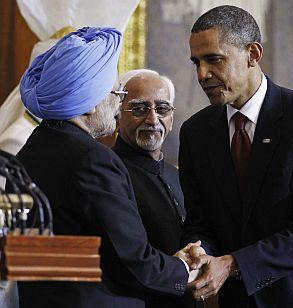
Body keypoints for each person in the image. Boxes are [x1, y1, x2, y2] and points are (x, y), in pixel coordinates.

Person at [179, 5, 293, 308]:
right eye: (196, 62)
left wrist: (233, 263)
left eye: (213, 59)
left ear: (252, 54)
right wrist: (198, 251)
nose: (202, 74)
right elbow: (201, 221)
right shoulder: (195, 133)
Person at [14, 27, 200, 308]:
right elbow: (132, 260)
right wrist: (183, 268)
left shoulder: (31, 150)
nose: (117, 102)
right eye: (115, 93)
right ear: (89, 104)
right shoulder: (92, 159)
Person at [113, 69, 200, 308]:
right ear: (118, 114)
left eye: (162, 109)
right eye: (140, 109)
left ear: (171, 118)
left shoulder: (179, 176)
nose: (152, 120)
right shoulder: (110, 173)